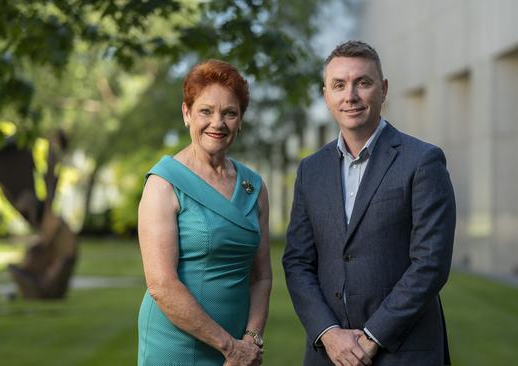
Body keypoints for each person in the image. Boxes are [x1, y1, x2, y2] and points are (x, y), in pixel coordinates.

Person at [283, 40, 456, 366]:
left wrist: (372, 337)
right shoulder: (310, 170)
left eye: (362, 82)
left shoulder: (422, 161)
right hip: (327, 354)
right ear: (326, 95)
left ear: (383, 89)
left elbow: (430, 264)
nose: (350, 96)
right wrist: (329, 333)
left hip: (402, 352)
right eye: (339, 85)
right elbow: (297, 262)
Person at [137, 59, 271, 366]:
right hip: (176, 345)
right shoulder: (163, 183)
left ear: (240, 119)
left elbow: (261, 276)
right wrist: (229, 347)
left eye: (229, 113)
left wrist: (251, 340)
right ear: (187, 114)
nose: (217, 123)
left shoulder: (255, 186)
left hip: (239, 350)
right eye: (206, 111)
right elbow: (161, 285)